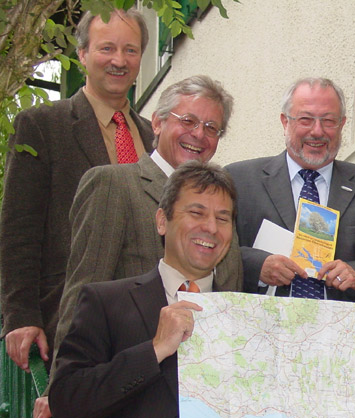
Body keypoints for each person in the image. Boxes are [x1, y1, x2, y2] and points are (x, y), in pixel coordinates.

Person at [52, 75, 242, 377]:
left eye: (211, 128)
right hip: (129, 387)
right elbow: (81, 294)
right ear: (157, 122)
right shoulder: (113, 184)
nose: (199, 135)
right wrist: (59, 391)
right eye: (189, 120)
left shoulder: (223, 202)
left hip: (206, 388)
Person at [0, 8, 153, 373]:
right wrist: (20, 315)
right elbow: (19, 229)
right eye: (107, 49)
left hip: (148, 327)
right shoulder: (42, 125)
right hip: (72, 323)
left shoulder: (154, 137)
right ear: (82, 54)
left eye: (130, 50)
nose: (119, 60)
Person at [49, 160, 237, 417]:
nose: (212, 228)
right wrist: (155, 350)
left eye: (223, 218)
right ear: (162, 221)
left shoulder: (245, 316)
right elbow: (66, 400)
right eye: (197, 213)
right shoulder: (105, 302)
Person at [225, 77, 355, 302]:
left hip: (343, 330)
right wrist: (257, 266)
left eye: (328, 120)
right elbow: (214, 249)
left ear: (342, 124)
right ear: (285, 122)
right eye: (305, 119)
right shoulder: (239, 180)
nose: (317, 131)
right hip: (261, 328)